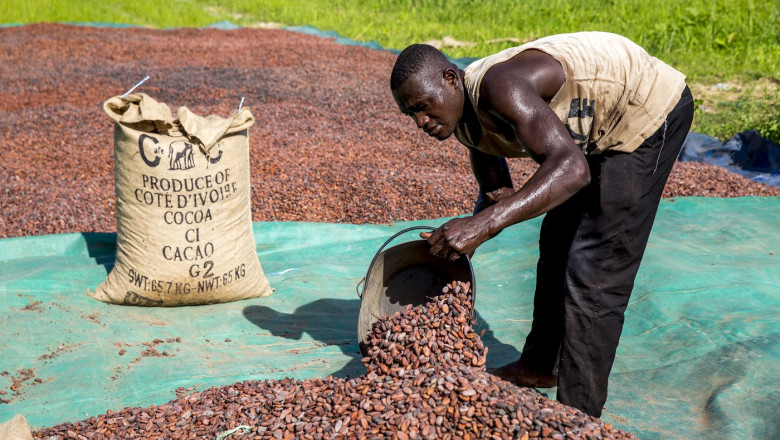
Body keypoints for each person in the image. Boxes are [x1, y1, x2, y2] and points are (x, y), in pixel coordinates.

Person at [389, 31, 694, 418]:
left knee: (595, 268)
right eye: (410, 114)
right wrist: (466, 237)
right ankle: (539, 367)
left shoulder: (501, 89)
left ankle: (577, 416)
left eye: (423, 106)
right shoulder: (462, 121)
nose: (420, 121)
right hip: (589, 135)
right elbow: (497, 194)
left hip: (643, 107)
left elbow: (571, 169)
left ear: (451, 79)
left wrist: (482, 226)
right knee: (556, 242)